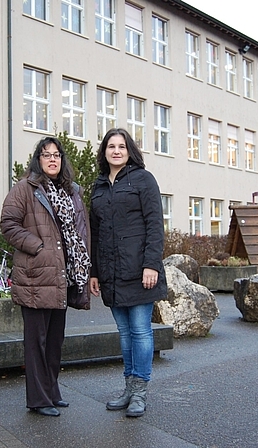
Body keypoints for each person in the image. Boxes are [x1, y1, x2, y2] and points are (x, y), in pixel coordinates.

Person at [0, 136, 91, 417]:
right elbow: (8, 224)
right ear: (38, 160)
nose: (52, 159)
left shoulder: (71, 191)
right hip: (36, 276)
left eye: (56, 155)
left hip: (62, 277)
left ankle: (51, 391)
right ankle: (38, 399)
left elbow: (80, 231)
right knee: (35, 342)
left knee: (54, 341)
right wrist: (38, 247)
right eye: (46, 154)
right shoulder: (25, 189)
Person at [89, 128, 167, 418]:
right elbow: (95, 233)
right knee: (124, 333)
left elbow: (155, 225)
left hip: (139, 270)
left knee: (140, 331)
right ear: (105, 152)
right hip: (111, 272)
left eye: (122, 146)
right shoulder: (98, 186)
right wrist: (95, 271)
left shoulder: (143, 180)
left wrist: (151, 264)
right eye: (111, 146)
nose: (117, 151)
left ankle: (140, 393)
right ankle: (128, 388)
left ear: (129, 150)